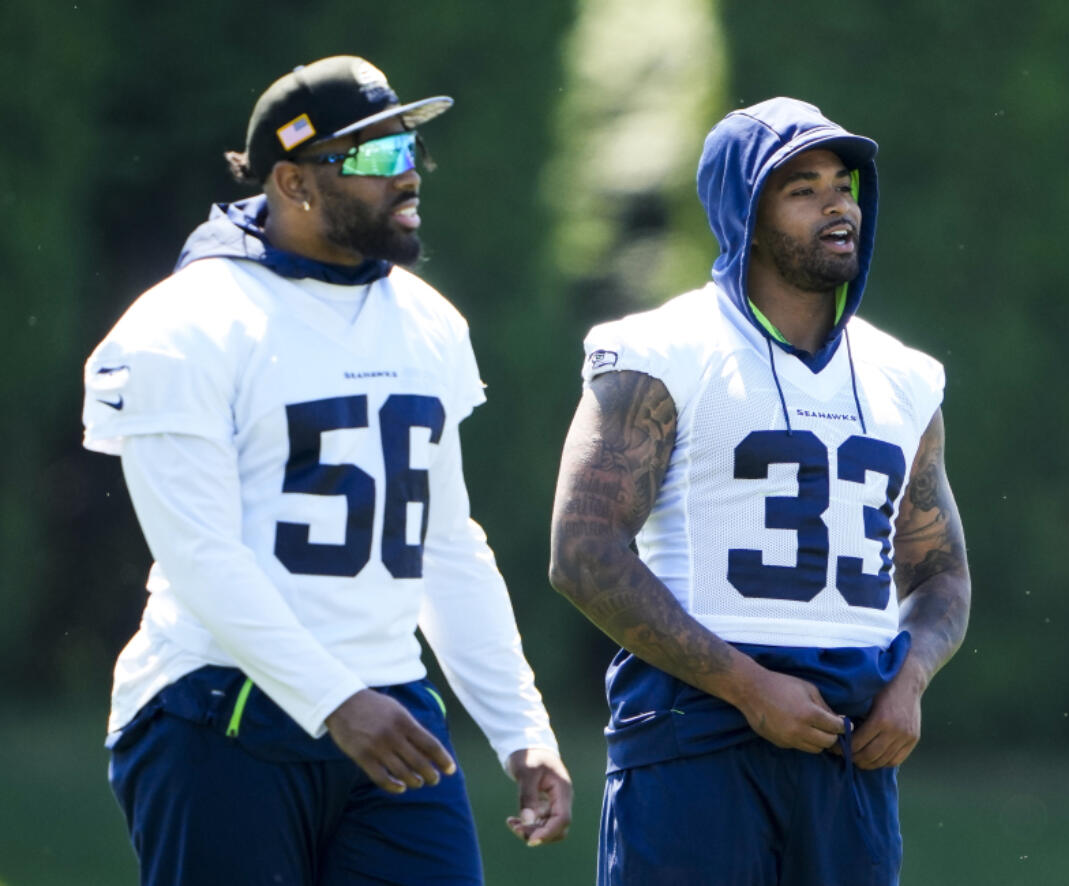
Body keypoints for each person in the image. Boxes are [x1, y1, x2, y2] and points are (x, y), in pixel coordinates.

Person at [82, 55, 571, 886]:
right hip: (222, 707)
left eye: (411, 151)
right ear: (292, 182)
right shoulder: (186, 324)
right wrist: (336, 701)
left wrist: (521, 727)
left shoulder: (428, 321)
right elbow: (201, 556)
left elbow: (445, 545)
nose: (409, 175)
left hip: (390, 705)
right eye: (377, 157)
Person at [549, 97, 971, 885]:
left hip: (848, 741)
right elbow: (582, 552)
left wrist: (909, 679)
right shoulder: (658, 349)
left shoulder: (906, 376)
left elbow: (939, 569)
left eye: (842, 184)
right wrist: (746, 686)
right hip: (694, 733)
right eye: (802, 188)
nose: (837, 204)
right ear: (743, 209)